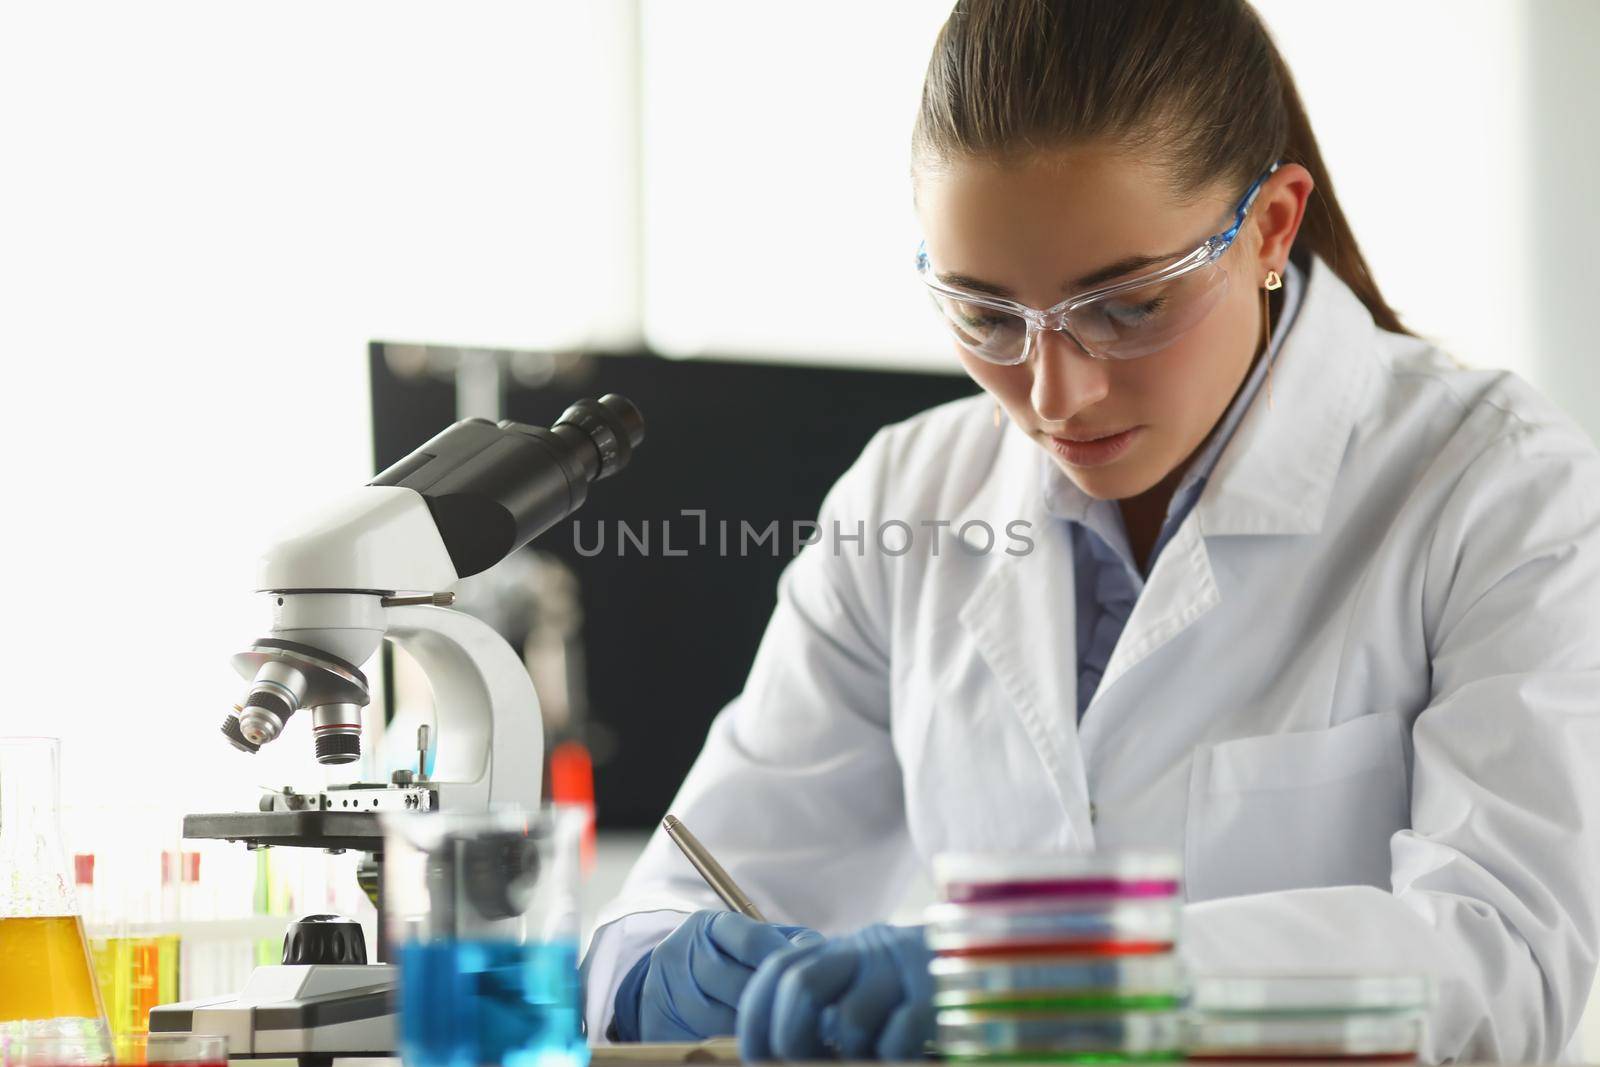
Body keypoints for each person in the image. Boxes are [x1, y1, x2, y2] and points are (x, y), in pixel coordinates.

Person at [582, 1, 1600, 1061]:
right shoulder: (909, 491)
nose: (1055, 394)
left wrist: (1053, 977)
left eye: (1128, 306)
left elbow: (1502, 962)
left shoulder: (1499, 485)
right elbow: (701, 874)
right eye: (984, 316)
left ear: (1270, 226)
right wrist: (659, 961)